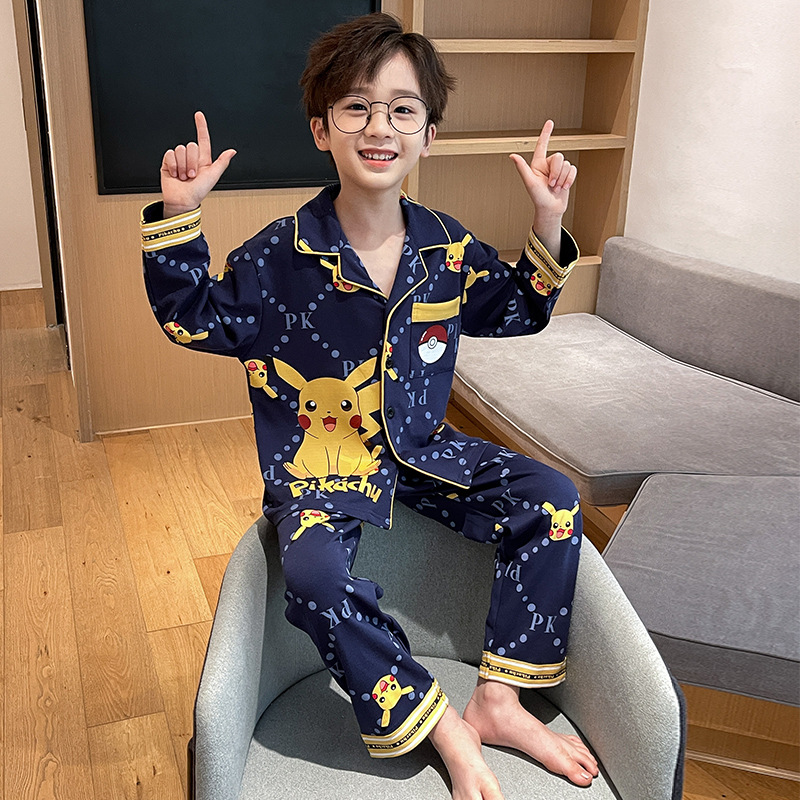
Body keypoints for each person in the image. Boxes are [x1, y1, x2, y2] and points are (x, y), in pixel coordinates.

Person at [140, 12, 598, 799]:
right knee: (314, 574)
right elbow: (193, 317)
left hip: (424, 449)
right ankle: (438, 722)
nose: (380, 126)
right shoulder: (279, 254)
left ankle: (499, 700)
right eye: (356, 107)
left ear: (428, 135)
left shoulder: (447, 248)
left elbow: (519, 307)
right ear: (322, 129)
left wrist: (548, 222)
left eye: (402, 109)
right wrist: (181, 215)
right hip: (321, 470)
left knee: (553, 497)